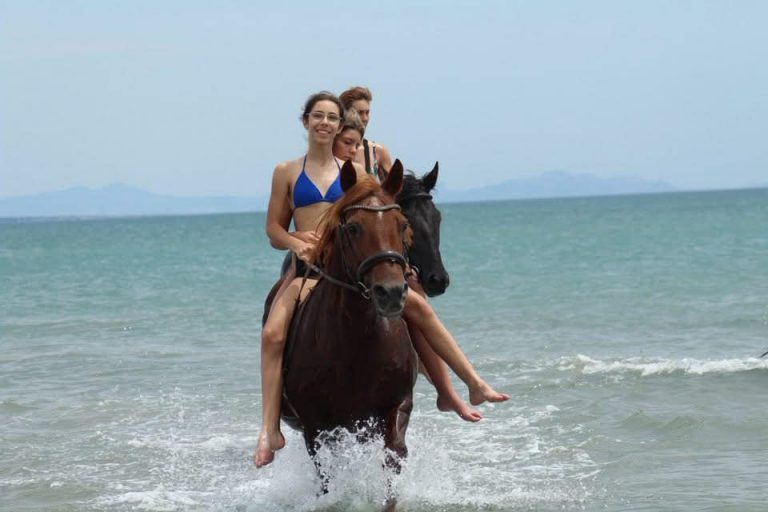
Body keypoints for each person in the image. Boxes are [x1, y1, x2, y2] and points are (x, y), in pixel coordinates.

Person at [254, 93, 508, 468]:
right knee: (273, 333)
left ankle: (467, 384)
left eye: (331, 117)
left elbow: (379, 216)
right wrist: (295, 242)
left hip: (348, 266)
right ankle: (269, 428)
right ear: (305, 121)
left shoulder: (354, 171)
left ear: (339, 123)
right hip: (309, 269)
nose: (324, 123)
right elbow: (273, 229)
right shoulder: (286, 171)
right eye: (317, 116)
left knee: (418, 307)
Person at [332, 111, 484, 423]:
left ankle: (450, 389)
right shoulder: (321, 168)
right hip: (332, 255)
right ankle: (275, 413)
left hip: (370, 250)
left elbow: (392, 201)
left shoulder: (373, 158)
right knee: (277, 328)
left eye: (367, 112)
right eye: (356, 112)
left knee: (418, 306)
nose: (363, 118)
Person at [339, 86, 392, 178]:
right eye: (360, 113)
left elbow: (391, 189)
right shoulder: (331, 150)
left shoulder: (377, 151)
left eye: (367, 113)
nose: (365, 118)